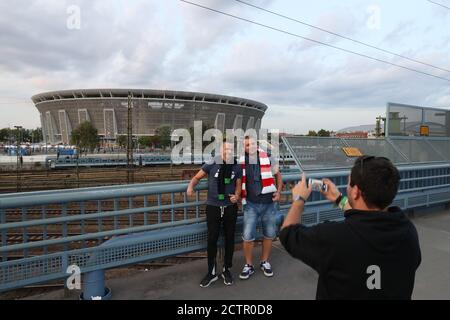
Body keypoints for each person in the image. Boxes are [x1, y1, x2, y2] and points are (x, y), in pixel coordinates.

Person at [280, 156, 421, 299]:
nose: (347, 186)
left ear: (355, 192)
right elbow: (366, 221)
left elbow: (287, 234)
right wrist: (339, 199)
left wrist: (299, 199)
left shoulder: (332, 238)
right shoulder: (408, 232)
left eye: (349, 183)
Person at [187, 141, 242, 287]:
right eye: (225, 149)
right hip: (213, 206)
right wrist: (190, 187)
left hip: (230, 207)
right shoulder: (212, 163)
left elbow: (238, 186)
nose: (228, 151)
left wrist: (236, 196)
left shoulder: (236, 166)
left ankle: (226, 270)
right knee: (212, 239)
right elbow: (197, 177)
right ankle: (211, 272)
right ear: (220, 150)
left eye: (230, 149)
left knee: (230, 238)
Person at [239, 136, 282, 280]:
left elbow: (278, 176)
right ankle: (249, 265)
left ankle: (264, 261)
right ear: (243, 147)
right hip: (250, 203)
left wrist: (279, 191)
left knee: (269, 234)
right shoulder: (240, 162)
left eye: (251, 144)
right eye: (246, 145)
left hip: (268, 202)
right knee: (247, 236)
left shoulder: (268, 158)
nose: (249, 147)